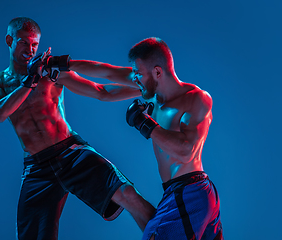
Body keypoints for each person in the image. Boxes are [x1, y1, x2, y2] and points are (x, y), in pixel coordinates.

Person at [0, 17, 156, 240]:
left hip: (69, 151)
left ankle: (170, 235)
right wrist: (29, 80)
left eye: (34, 44)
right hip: (36, 168)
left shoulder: (50, 72)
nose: (30, 49)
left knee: (127, 194)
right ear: (9, 40)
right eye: (23, 42)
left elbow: (101, 91)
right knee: (31, 236)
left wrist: (146, 89)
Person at [68, 37, 223, 240]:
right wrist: (63, 67)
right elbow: (105, 77)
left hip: (191, 192)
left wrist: (145, 124)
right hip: (175, 193)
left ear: (158, 72)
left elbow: (186, 151)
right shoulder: (151, 93)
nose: (135, 79)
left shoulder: (196, 98)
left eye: (139, 74)